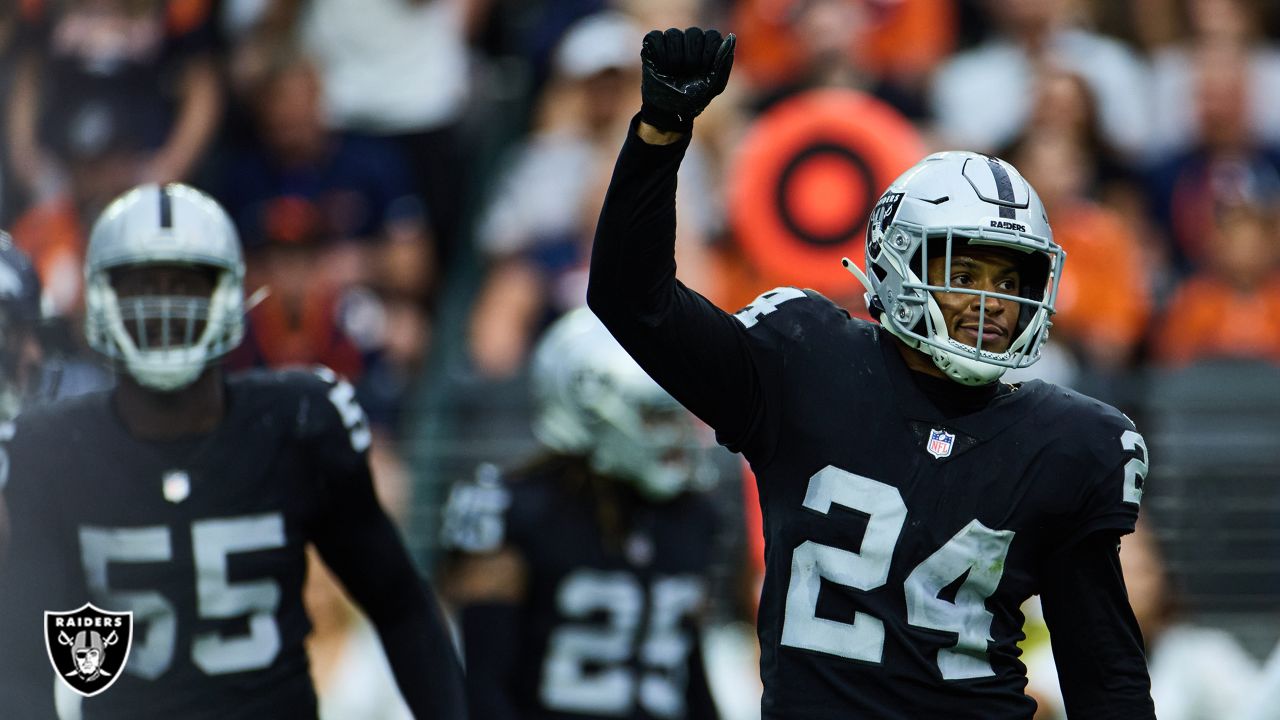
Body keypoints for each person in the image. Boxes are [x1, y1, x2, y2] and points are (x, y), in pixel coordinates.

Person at [587, 27, 1155, 719]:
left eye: (1011, 279)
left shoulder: (1068, 440)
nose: (993, 304)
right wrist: (660, 133)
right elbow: (630, 299)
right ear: (901, 263)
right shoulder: (805, 357)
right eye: (966, 272)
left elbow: (1106, 675)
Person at [0, 183, 465, 720]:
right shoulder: (53, 450)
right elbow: (26, 663)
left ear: (228, 294)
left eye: (186, 285)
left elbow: (401, 606)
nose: (166, 307)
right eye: (143, 286)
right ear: (104, 299)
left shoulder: (299, 422)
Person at [440, 307, 722, 720]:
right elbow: (484, 686)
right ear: (589, 409)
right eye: (654, 414)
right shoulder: (515, 511)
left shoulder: (692, 516)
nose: (676, 433)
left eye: (676, 414)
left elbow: (692, 681)